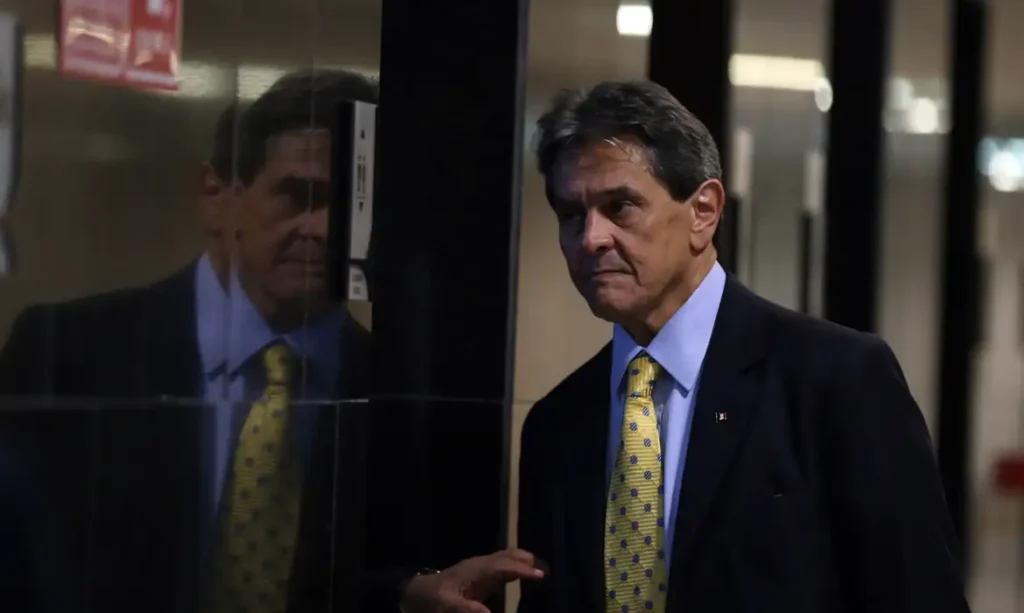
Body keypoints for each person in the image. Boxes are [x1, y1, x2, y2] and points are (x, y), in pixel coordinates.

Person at [399, 81, 971, 613]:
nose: (591, 238)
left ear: (704, 211)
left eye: (619, 207)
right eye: (571, 215)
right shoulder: (558, 423)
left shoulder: (835, 380)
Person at [0, 69, 378, 613]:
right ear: (217, 196)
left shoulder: (390, 389)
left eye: (352, 207)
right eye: (297, 196)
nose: (323, 229)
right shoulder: (69, 351)